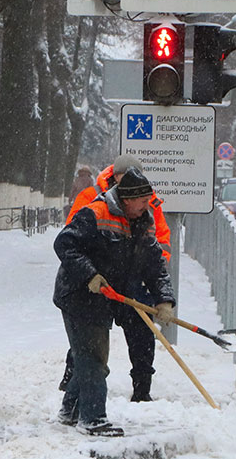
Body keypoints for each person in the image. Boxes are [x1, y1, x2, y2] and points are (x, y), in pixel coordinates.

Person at [53, 168, 175, 436]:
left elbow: (155, 264)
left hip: (107, 297)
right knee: (94, 357)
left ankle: (70, 410)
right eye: (143, 201)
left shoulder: (143, 220)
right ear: (128, 199)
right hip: (78, 295)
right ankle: (93, 418)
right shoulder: (95, 213)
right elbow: (64, 244)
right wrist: (90, 275)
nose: (147, 206)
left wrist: (164, 299)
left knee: (88, 356)